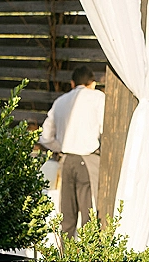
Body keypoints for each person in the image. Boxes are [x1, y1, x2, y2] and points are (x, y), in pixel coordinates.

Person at [39, 65, 105, 238]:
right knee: (89, 217)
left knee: (67, 216)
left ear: (72, 83)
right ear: (93, 83)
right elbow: (106, 128)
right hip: (88, 159)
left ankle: (64, 258)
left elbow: (45, 136)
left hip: (66, 160)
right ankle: (88, 261)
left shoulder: (60, 101)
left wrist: (61, 147)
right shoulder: (98, 97)